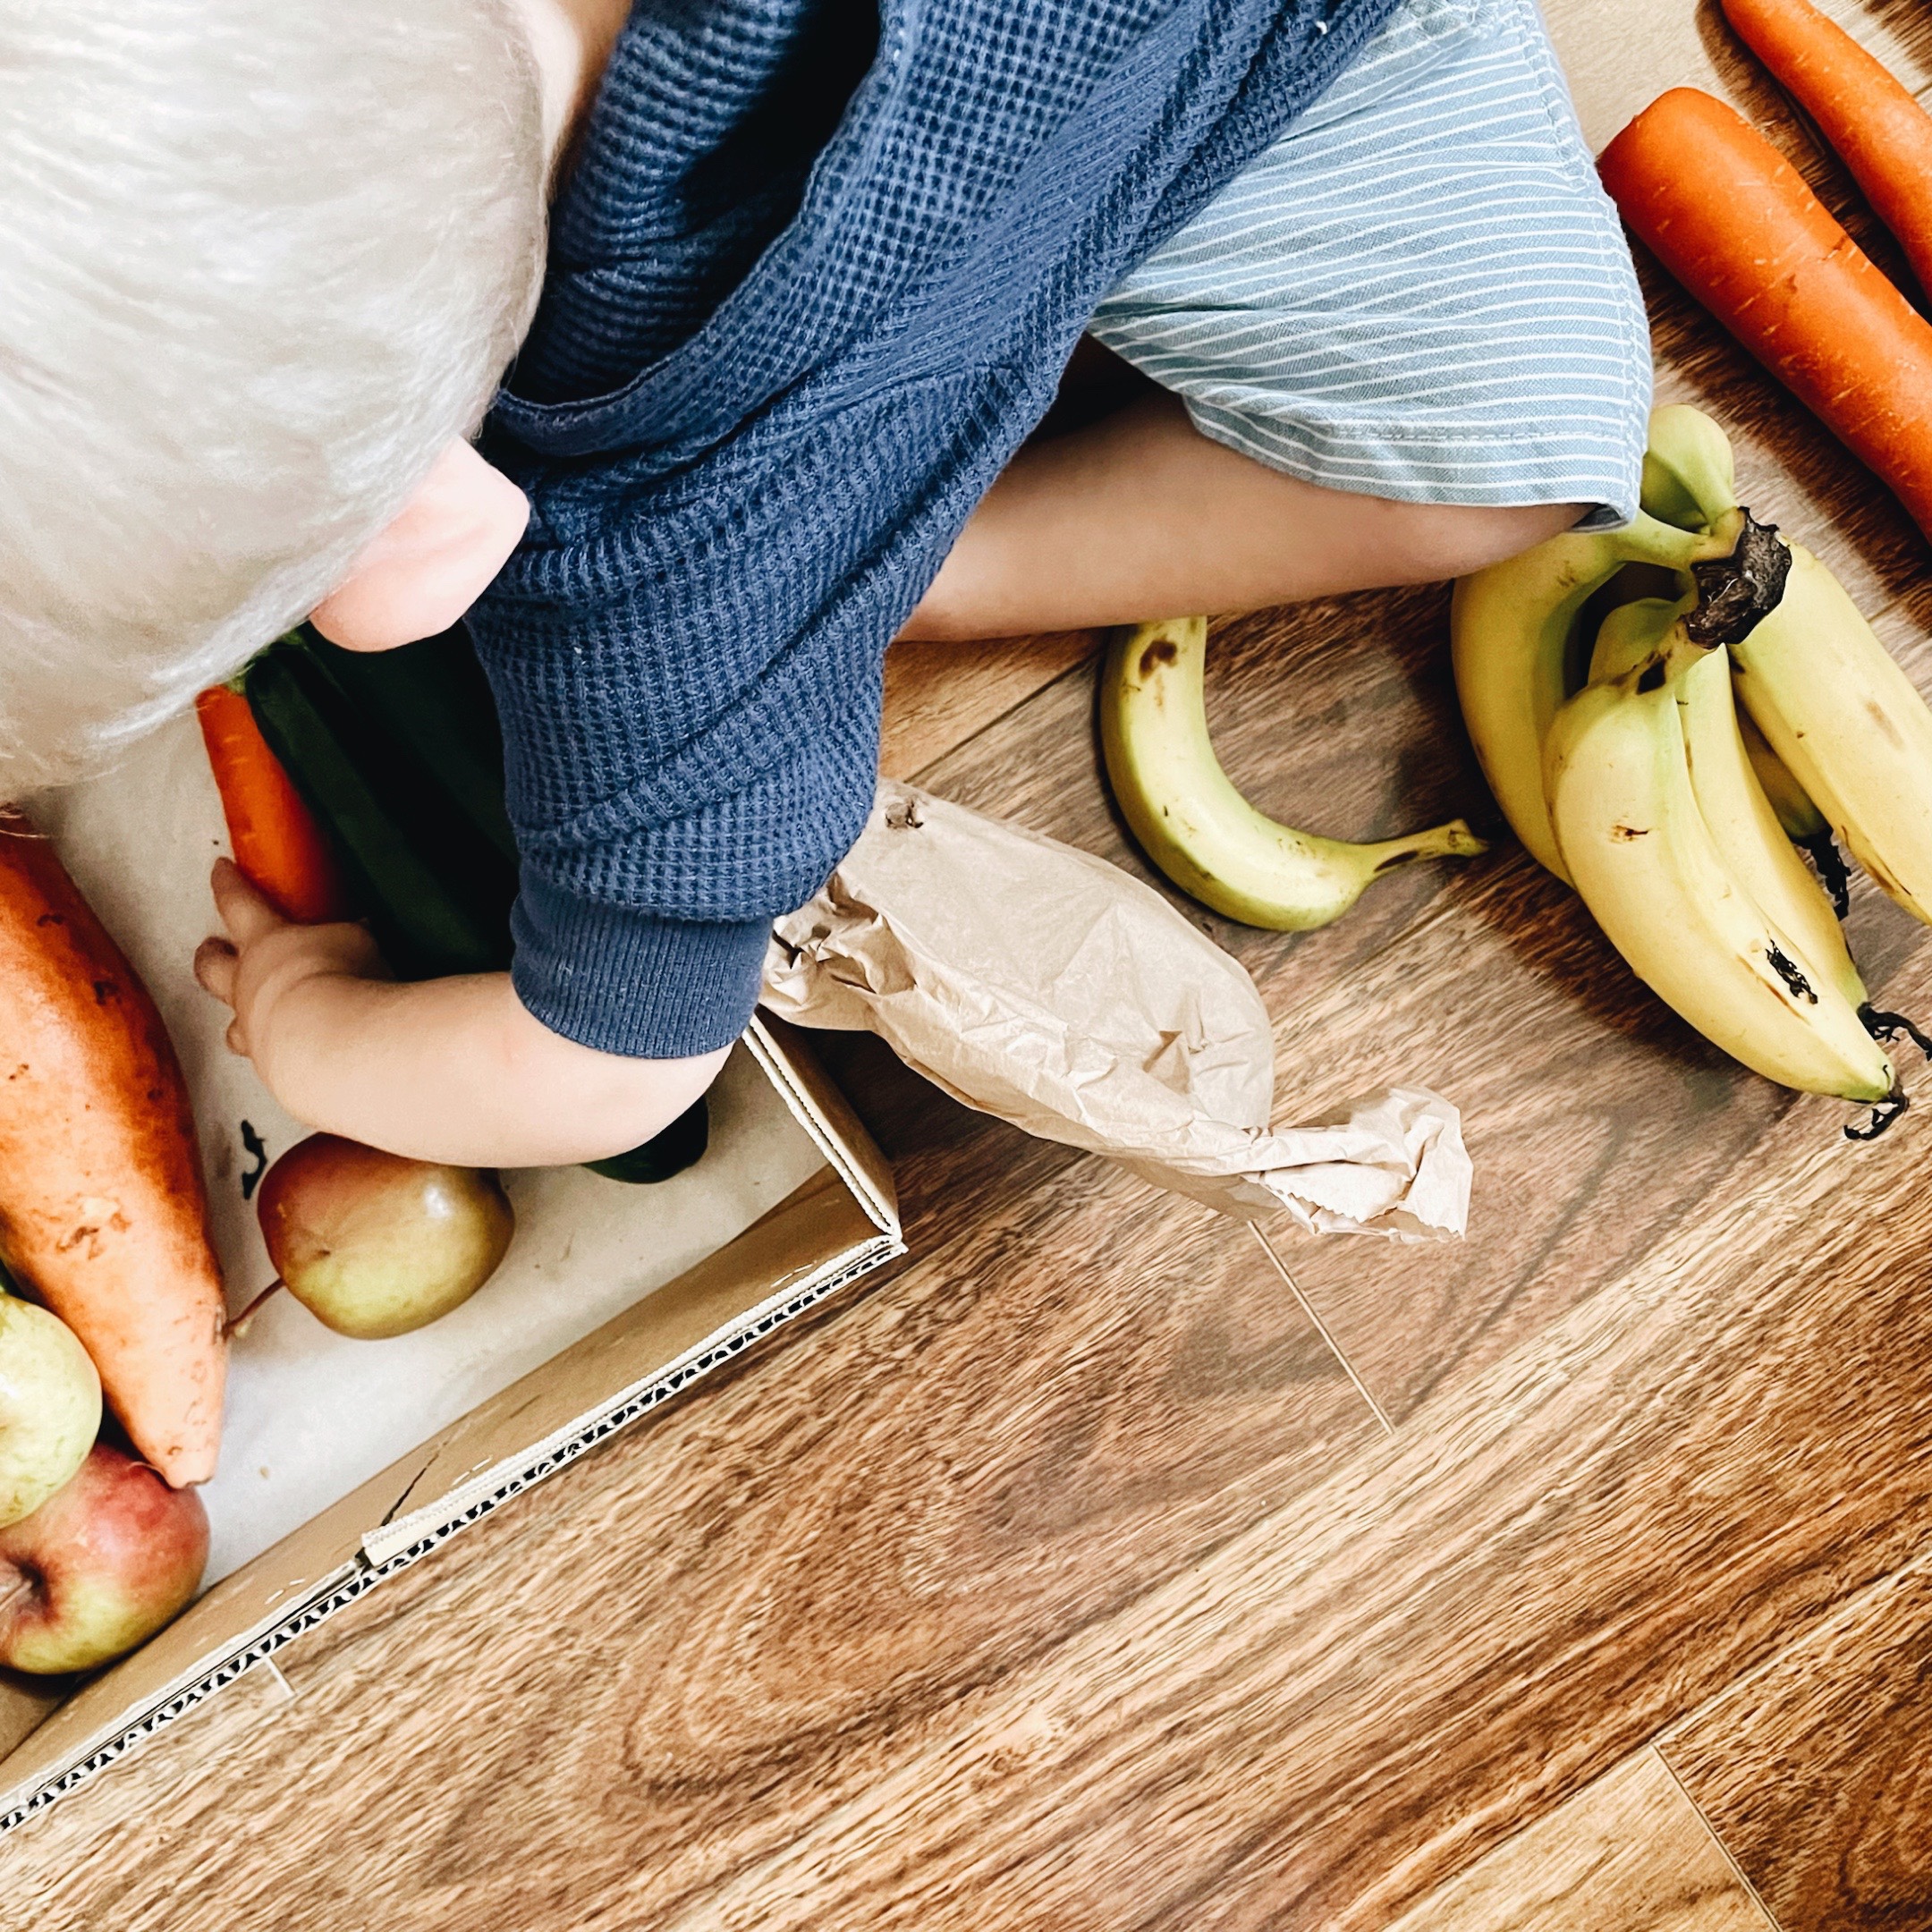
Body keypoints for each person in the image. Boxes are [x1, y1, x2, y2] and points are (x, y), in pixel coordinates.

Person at [0, 0, 1648, 1169]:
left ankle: (929, 559)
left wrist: (310, 1027)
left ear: (410, 563)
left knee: (1513, 451)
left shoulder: (664, 568)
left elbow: (604, 1075)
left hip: (1305, 60)